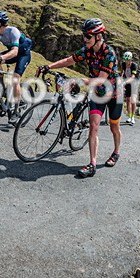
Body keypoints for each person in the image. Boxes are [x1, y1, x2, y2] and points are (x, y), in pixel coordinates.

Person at [39, 18, 121, 178]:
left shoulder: (109, 54)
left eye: (88, 36)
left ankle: (116, 152)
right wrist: (48, 66)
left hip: (114, 94)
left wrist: (80, 81)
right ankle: (92, 164)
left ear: (98, 36)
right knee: (94, 126)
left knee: (114, 127)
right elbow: (69, 60)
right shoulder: (87, 50)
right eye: (84, 35)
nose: (84, 39)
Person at [121, 51, 139, 125]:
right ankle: (129, 116)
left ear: (131, 59)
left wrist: (125, 83)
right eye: (125, 60)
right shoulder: (123, 64)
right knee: (128, 100)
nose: (126, 62)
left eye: (128, 60)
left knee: (133, 100)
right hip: (127, 82)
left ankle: (133, 117)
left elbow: (133, 77)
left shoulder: (134, 65)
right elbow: (122, 73)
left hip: (134, 82)